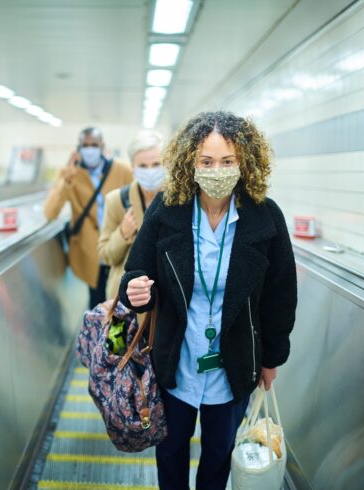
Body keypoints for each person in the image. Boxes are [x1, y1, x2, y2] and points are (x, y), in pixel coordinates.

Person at [118, 111, 297, 490]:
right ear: (190, 163)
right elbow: (135, 272)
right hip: (175, 361)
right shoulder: (168, 210)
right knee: (170, 452)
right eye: (207, 161)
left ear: (244, 162)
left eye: (228, 161)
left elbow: (281, 295)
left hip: (233, 364)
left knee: (218, 457)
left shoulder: (265, 217)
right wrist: (135, 289)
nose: (218, 170)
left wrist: (271, 358)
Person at [44, 127, 132, 308]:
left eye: (94, 145)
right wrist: (68, 176)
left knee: (122, 304)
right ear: (78, 148)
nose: (89, 149)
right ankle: (98, 335)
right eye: (85, 145)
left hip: (119, 246)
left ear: (102, 146)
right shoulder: (70, 174)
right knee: (97, 304)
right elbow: (50, 212)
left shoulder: (121, 170)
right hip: (90, 252)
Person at [98, 132, 165, 300]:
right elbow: (105, 255)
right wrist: (122, 234)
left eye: (156, 164)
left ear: (167, 164)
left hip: (165, 300)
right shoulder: (117, 201)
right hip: (125, 301)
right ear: (133, 169)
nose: (150, 171)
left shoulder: (179, 200)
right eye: (142, 166)